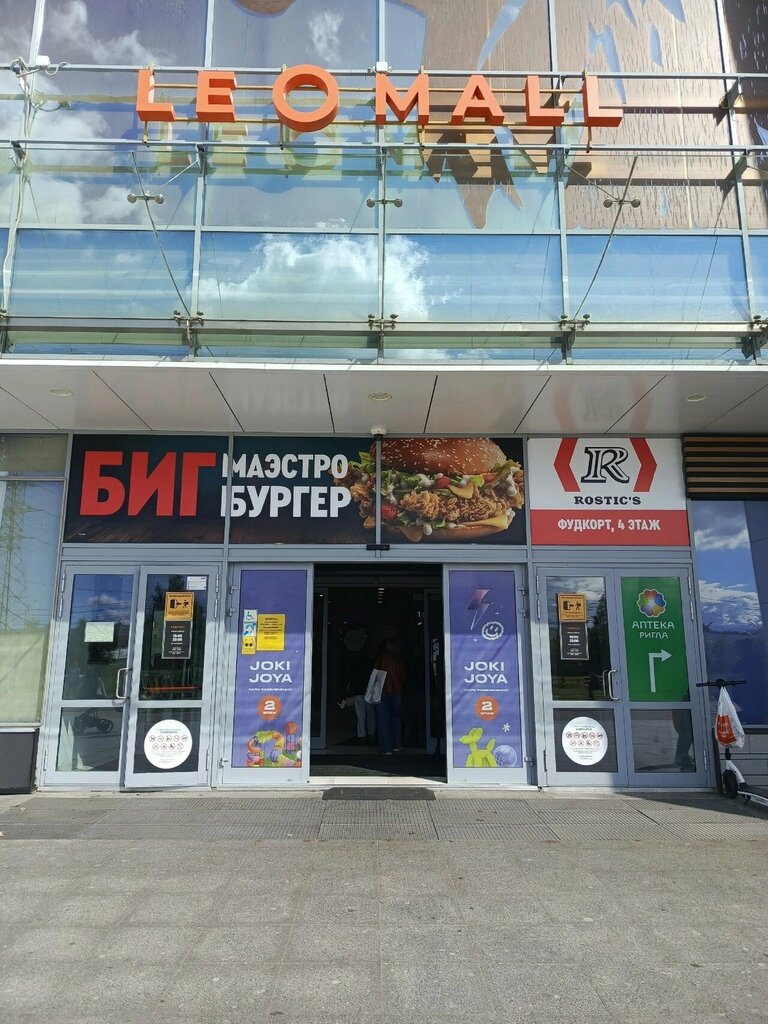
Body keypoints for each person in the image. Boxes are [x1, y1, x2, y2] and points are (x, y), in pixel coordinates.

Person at [373, 638, 405, 755]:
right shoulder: (399, 659)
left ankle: (386, 748)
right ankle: (397, 744)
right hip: (397, 690)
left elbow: (375, 674)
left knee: (383, 720)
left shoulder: (381, 658)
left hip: (383, 690)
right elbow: (403, 676)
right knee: (396, 719)